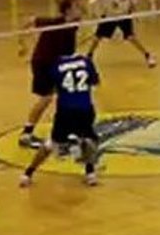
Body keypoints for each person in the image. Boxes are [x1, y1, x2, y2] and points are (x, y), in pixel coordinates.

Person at [20, 53, 102, 188]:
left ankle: (28, 173)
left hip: (66, 110)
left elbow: (50, 90)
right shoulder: (85, 61)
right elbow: (95, 82)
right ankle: (90, 174)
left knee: (51, 144)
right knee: (89, 139)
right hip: (85, 108)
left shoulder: (55, 65)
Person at [19, 0, 82, 149]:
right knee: (46, 98)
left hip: (56, 65)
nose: (80, 10)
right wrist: (21, 44)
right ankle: (26, 134)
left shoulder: (73, 26)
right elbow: (30, 21)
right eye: (77, 7)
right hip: (43, 63)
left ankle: (68, 131)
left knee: (67, 95)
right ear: (68, 11)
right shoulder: (55, 23)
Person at [87, 0, 156, 67]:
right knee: (97, 38)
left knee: (131, 38)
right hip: (109, 17)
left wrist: (134, 16)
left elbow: (133, 5)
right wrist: (95, 14)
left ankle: (148, 55)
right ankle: (89, 56)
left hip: (124, 17)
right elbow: (92, 2)